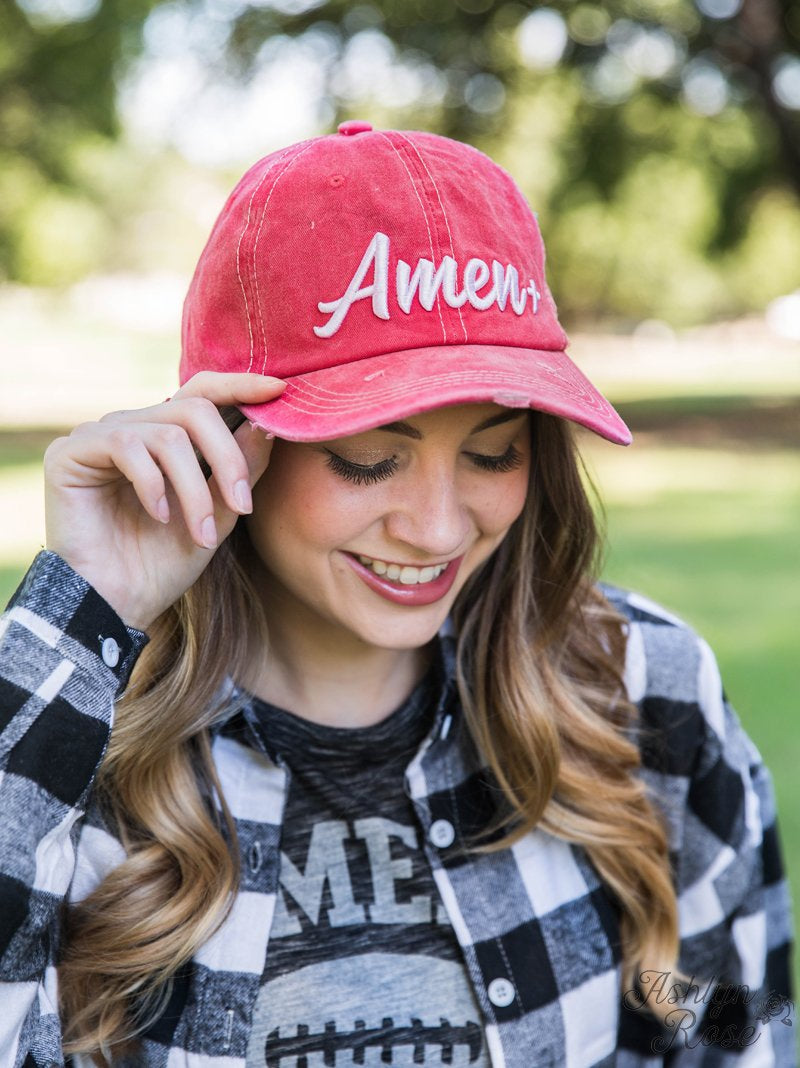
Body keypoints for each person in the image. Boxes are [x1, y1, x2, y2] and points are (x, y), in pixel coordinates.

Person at [0, 123, 793, 1068]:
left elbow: (734, 1029)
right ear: (230, 439)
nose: (439, 529)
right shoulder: (71, 742)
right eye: (370, 459)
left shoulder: (642, 690)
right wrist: (85, 607)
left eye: (495, 452)